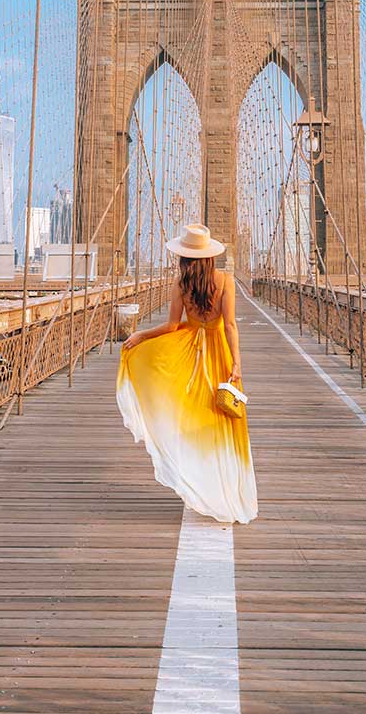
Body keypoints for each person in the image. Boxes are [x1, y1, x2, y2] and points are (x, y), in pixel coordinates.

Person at [117, 224, 258, 524]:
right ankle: (227, 494)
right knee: (223, 423)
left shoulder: (181, 284)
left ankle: (200, 483)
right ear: (209, 256)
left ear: (184, 257)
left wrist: (142, 336)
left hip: (190, 355)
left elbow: (170, 327)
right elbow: (230, 325)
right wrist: (237, 363)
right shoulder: (225, 281)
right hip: (219, 354)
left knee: (193, 417)